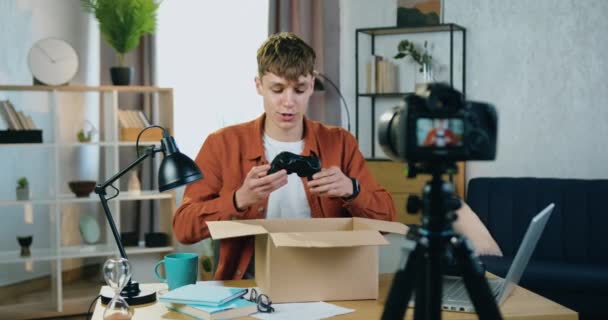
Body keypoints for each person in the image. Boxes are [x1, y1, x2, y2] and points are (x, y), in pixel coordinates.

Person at [173, 32, 397, 280]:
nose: (288, 102)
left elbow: (386, 220)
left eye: (299, 90)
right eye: (277, 89)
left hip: (328, 281)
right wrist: (238, 199)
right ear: (259, 85)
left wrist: (351, 189)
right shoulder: (222, 144)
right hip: (250, 285)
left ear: (311, 85)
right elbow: (184, 228)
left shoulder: (341, 142)